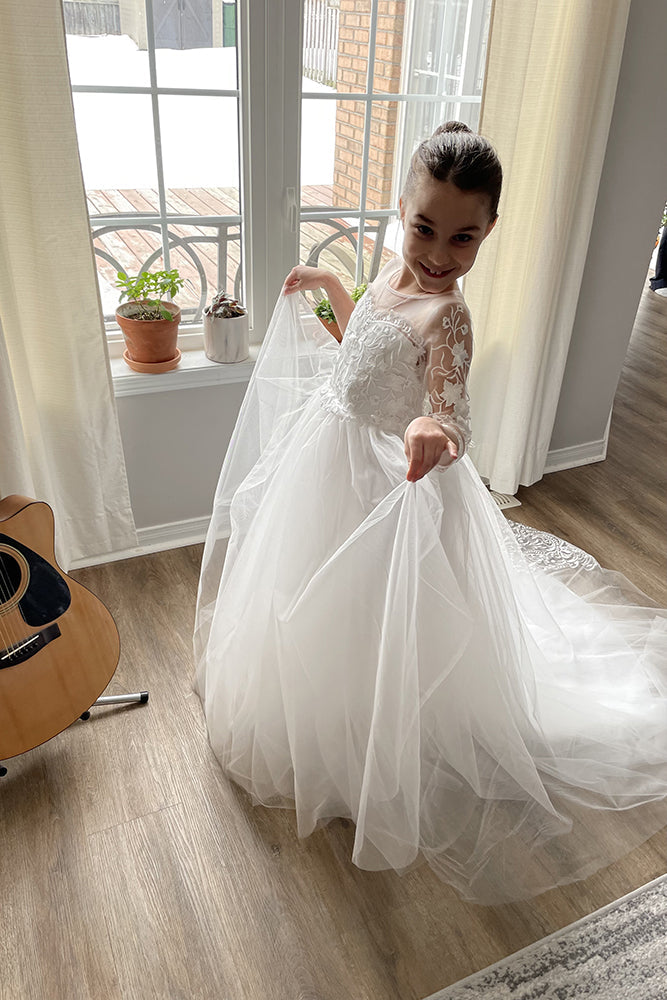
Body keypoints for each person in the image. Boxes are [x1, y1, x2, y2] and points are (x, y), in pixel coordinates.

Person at [194, 123, 667, 905]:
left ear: (487, 232)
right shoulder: (393, 274)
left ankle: (372, 740)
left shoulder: (449, 316)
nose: (438, 254)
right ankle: (326, 717)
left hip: (390, 483)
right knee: (314, 601)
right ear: (400, 211)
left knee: (371, 615)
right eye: (423, 228)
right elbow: (363, 340)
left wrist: (427, 426)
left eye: (462, 238)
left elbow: (452, 416)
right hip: (330, 453)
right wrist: (330, 286)